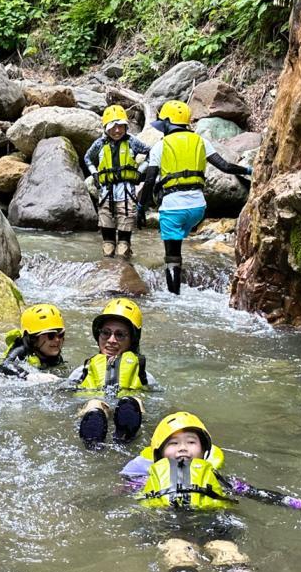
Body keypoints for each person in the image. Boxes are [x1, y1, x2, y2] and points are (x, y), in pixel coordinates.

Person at [123, 411, 301, 572]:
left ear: (204, 450)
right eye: (173, 443)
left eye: (191, 442)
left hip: (213, 525)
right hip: (169, 526)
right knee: (176, 550)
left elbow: (261, 494)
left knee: (226, 550)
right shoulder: (145, 481)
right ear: (160, 453)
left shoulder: (220, 480)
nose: (183, 447)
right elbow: (118, 494)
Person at [137, 100, 253, 294]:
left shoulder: (160, 146)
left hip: (173, 209)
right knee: (180, 239)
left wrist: (141, 207)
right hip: (198, 210)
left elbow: (149, 181)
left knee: (172, 256)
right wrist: (249, 170)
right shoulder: (201, 141)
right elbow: (225, 167)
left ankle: (173, 296)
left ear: (168, 122)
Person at [67, 297, 155, 446]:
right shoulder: (81, 372)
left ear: (132, 339)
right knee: (94, 404)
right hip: (94, 406)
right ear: (98, 335)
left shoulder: (144, 376)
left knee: (135, 402)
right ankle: (92, 439)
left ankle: (127, 435)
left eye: (120, 335)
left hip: (128, 408)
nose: (111, 340)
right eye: (106, 333)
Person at [85, 105, 151, 259]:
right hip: (106, 196)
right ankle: (108, 266)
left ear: (126, 127)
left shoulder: (132, 142)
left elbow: (151, 153)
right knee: (108, 246)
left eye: (121, 126)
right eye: (113, 127)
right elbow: (88, 158)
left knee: (123, 247)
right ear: (106, 128)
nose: (117, 131)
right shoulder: (100, 144)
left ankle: (125, 265)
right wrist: (94, 173)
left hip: (126, 196)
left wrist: (140, 171)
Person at [0, 303, 67, 379]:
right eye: (51, 335)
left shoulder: (56, 357)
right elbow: (4, 366)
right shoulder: (21, 350)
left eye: (61, 334)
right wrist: (28, 376)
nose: (57, 339)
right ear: (33, 338)